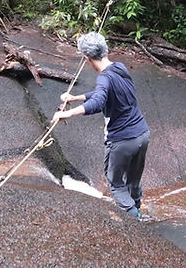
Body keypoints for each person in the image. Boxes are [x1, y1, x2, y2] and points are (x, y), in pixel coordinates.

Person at [52, 32, 150, 220]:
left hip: (122, 140)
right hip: (142, 134)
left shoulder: (104, 78)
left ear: (87, 58)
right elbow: (102, 93)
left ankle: (135, 222)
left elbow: (98, 101)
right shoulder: (119, 67)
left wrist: (67, 113)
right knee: (133, 179)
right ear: (105, 50)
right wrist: (76, 98)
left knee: (114, 182)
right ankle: (138, 210)